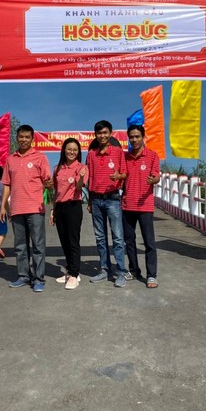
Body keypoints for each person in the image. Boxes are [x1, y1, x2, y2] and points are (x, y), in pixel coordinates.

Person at [0, 125, 53, 292]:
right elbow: (6, 184)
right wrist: (3, 206)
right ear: (17, 138)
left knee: (38, 245)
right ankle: (23, 276)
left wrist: (49, 184)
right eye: (21, 137)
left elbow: (48, 181)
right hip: (16, 208)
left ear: (32, 139)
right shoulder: (10, 159)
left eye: (27, 137)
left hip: (35, 208)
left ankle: (38, 278)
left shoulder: (40, 157)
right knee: (20, 246)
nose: (23, 140)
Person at [86, 120, 128, 287]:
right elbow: (89, 178)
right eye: (99, 133)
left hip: (113, 199)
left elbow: (125, 173)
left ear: (110, 134)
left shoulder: (118, 152)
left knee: (117, 237)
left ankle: (121, 272)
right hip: (96, 200)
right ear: (95, 135)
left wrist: (119, 176)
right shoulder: (91, 154)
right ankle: (104, 269)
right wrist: (90, 200)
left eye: (105, 132)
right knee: (100, 237)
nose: (102, 136)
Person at [122, 124, 161, 288]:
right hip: (127, 205)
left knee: (149, 242)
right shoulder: (125, 157)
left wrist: (154, 180)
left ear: (143, 137)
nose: (134, 140)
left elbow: (157, 175)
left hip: (145, 206)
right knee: (129, 241)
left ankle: (151, 275)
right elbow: (121, 175)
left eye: (137, 136)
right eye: (131, 137)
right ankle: (134, 270)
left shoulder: (152, 155)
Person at [49, 137, 87, 290]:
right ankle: (70, 270)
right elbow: (56, 191)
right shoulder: (57, 168)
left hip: (73, 206)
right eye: (69, 149)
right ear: (64, 150)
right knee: (64, 240)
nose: (72, 152)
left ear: (78, 152)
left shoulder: (81, 167)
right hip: (60, 207)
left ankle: (75, 274)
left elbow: (78, 187)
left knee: (73, 240)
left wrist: (82, 176)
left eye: (75, 150)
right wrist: (53, 209)